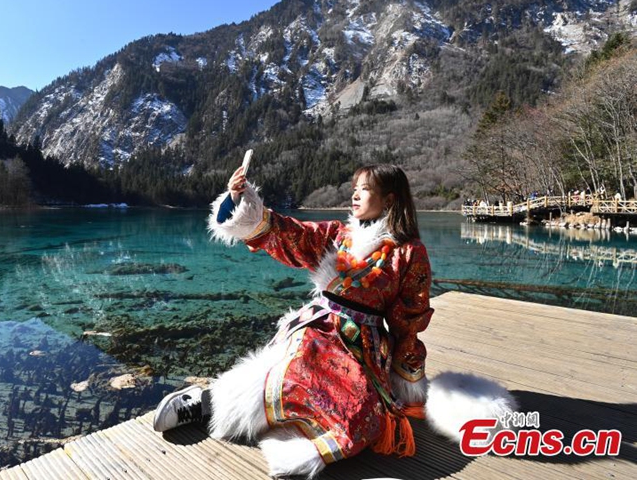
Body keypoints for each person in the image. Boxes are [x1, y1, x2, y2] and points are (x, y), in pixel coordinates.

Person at [153, 162, 515, 478]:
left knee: (360, 414)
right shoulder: (336, 235)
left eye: (364, 190)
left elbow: (409, 320)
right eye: (354, 189)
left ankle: (298, 444)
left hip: (364, 346)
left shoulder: (410, 254)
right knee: (288, 373)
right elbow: (287, 234)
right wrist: (242, 200)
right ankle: (204, 404)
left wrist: (407, 380)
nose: (354, 196)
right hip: (318, 328)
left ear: (390, 199)